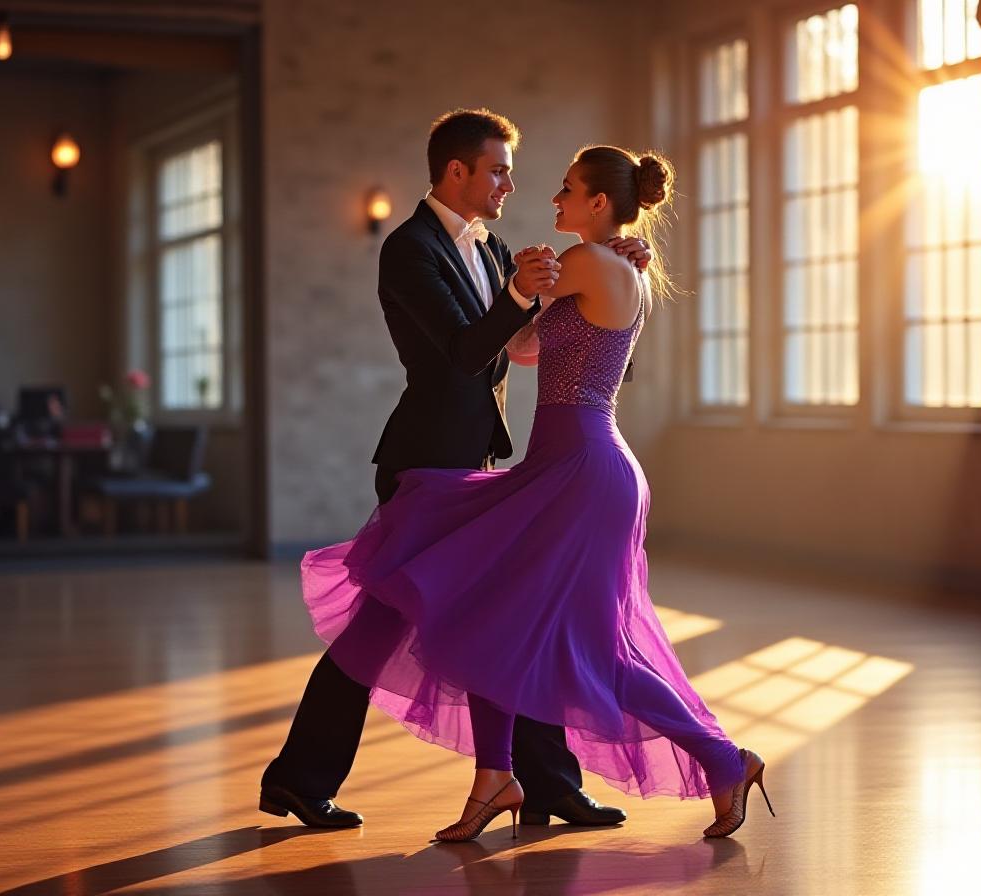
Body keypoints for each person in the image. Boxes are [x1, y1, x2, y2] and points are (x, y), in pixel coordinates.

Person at [299, 145, 774, 842]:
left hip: (580, 468)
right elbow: (523, 348)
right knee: (498, 618)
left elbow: (515, 340)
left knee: (598, 652)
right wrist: (531, 291)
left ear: (600, 204)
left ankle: (724, 760)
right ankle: (496, 776)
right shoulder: (612, 266)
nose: (553, 199)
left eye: (568, 189)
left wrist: (533, 283)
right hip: (573, 464)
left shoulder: (588, 263)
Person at [261, 109, 647, 830]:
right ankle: (301, 776)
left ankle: (543, 782)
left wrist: (615, 273)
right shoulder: (408, 249)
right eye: (498, 169)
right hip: (422, 468)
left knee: (508, 620)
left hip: (476, 465)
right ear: (457, 171)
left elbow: (533, 338)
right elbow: (465, 351)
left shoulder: (496, 248)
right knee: (381, 625)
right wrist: (521, 295)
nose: (509, 183)